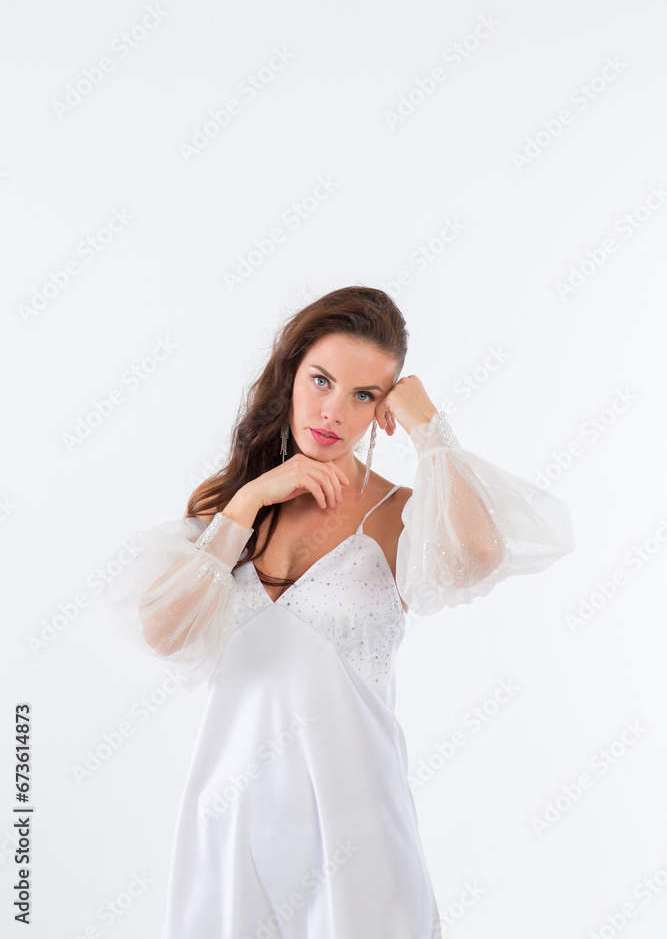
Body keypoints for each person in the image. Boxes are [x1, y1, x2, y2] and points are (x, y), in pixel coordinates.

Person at [100, 286, 575, 938]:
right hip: (231, 825)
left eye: (363, 395)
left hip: (355, 833)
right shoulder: (232, 507)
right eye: (321, 380)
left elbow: (479, 553)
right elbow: (161, 627)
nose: (332, 411)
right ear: (290, 373)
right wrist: (248, 504)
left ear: (382, 408)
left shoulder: (394, 512)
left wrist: (427, 426)